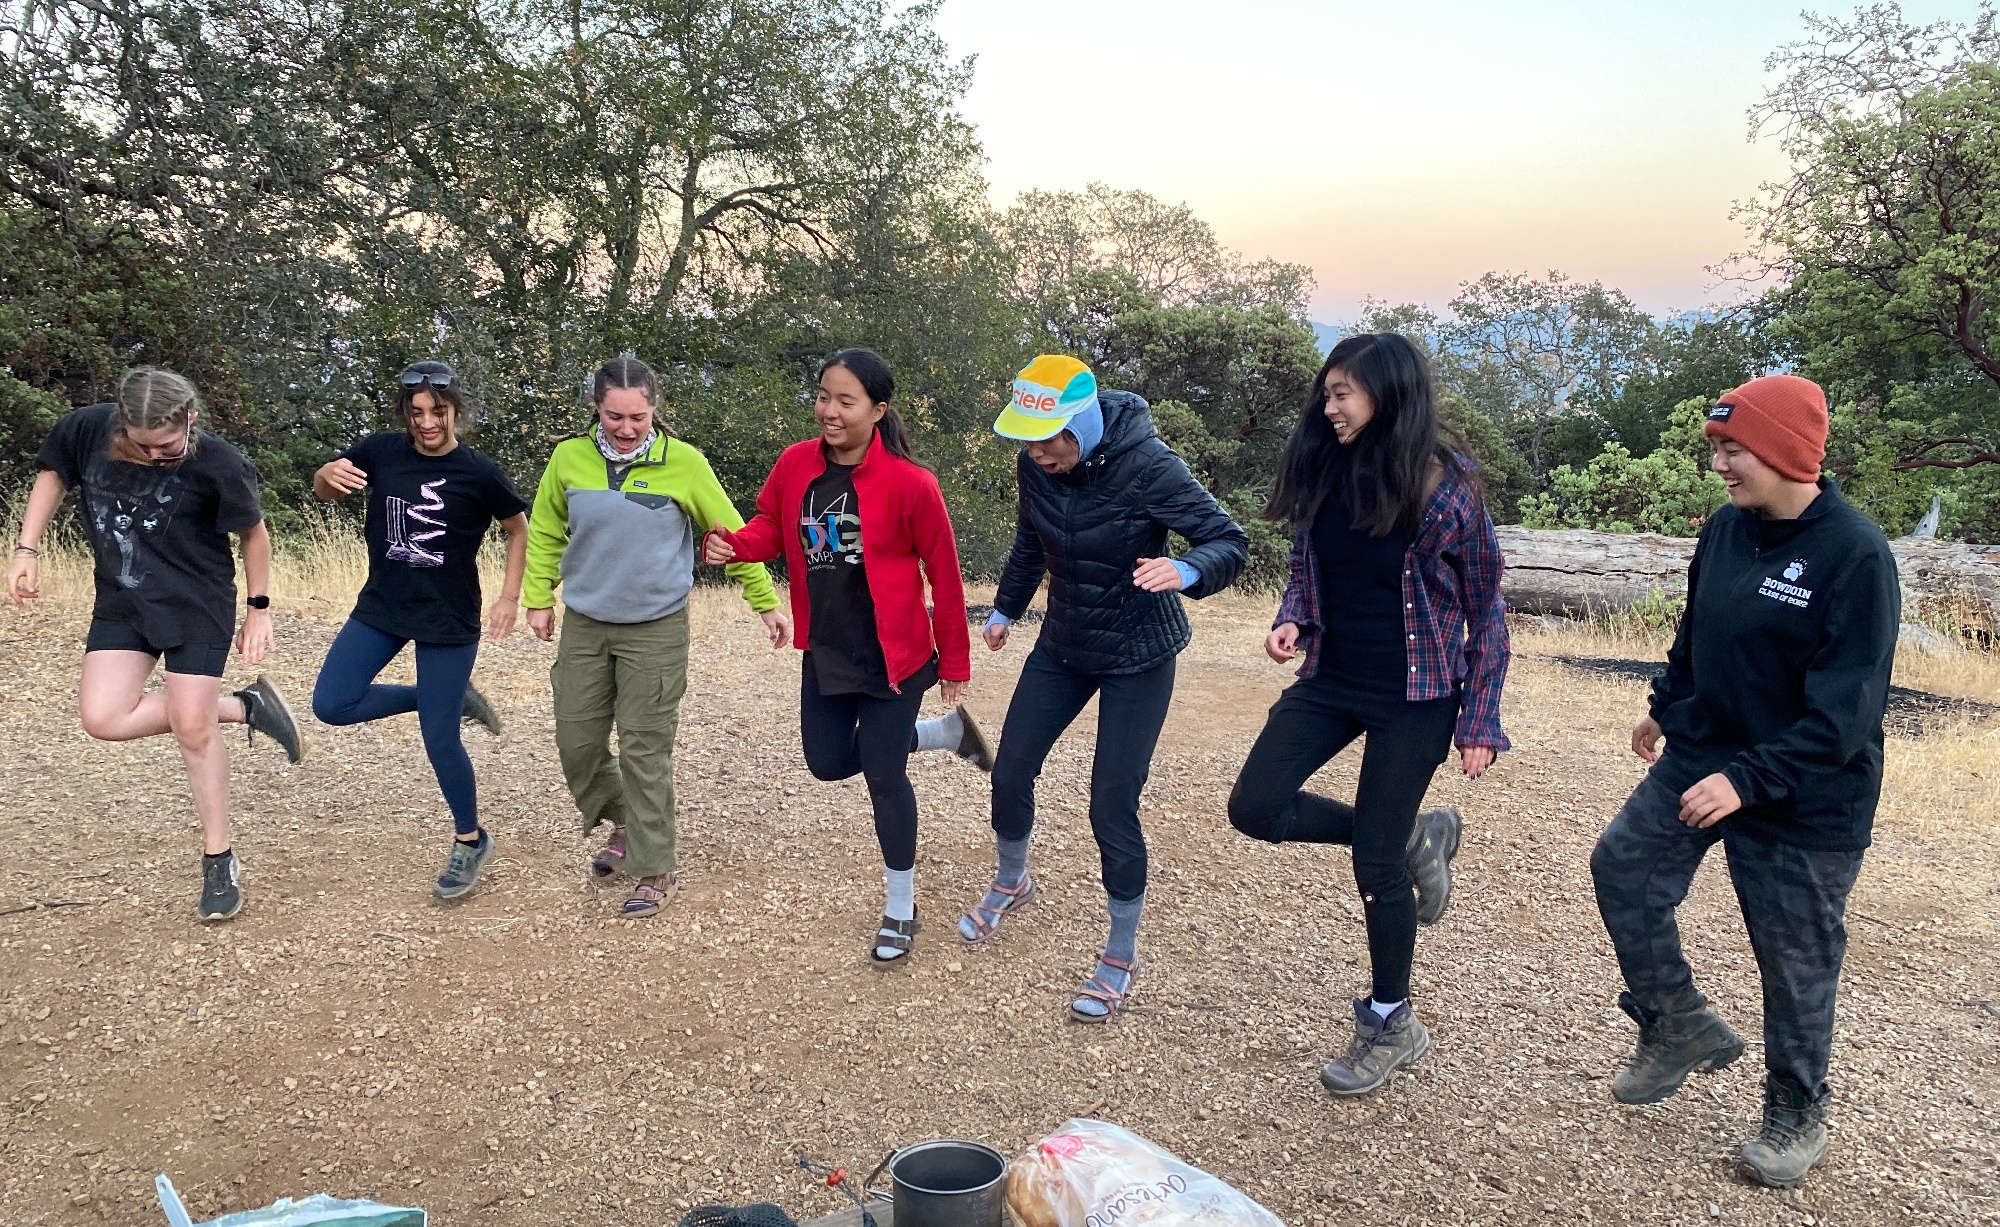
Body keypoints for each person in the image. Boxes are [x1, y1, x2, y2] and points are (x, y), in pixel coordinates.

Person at [1589, 374, 1897, 1189]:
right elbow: (1700, 628)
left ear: (1787, 451)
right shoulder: (1728, 530)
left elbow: (1846, 718)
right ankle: (1676, 1023)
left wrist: (1746, 780)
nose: (1720, 465)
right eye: (1717, 448)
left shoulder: (1855, 555)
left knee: (1794, 956)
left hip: (1807, 789)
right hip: (1707, 749)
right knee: (1623, 866)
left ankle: (1796, 1107)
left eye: (1735, 449)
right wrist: (1666, 704)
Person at [1225, 332, 1509, 1095]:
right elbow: (1306, 565)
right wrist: (1294, 616)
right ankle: (1414, 836)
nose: (1330, 405)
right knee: (1254, 805)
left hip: (1416, 695)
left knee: (1376, 869)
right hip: (1332, 677)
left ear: (1389, 394)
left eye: (1343, 392)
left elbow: (1488, 611)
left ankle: (1393, 1020)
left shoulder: (1448, 490)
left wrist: (1479, 719)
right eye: (1328, 392)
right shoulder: (1328, 466)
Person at [963, 354, 1249, 1022]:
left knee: (1109, 804)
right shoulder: (1036, 463)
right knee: (1009, 770)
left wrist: (1185, 567)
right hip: (1065, 642)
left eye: (1048, 440)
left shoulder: (1149, 464)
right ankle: (1014, 879)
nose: (1036, 454)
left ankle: (1120, 950)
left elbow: (1226, 540)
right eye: (1027, 442)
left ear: (1082, 425)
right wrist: (1005, 609)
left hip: (1139, 654)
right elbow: (1030, 541)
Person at [704, 348, 983, 964]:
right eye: (824, 396)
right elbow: (772, 526)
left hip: (896, 655)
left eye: (845, 401)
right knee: (828, 763)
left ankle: (901, 905)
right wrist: (736, 546)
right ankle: (940, 736)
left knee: (883, 773)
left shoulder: (914, 484)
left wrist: (955, 663)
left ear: (878, 411)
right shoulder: (797, 464)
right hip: (826, 646)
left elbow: (945, 573)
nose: (829, 411)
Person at [5, 367, 304, 922]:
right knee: (102, 717)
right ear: (121, 422)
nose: (156, 455)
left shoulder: (219, 462)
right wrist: (27, 548)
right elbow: (52, 474)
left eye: (166, 445)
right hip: (123, 600)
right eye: (141, 446)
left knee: (193, 728)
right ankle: (245, 707)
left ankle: (219, 860)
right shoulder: (86, 430)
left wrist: (258, 610)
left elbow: (254, 535)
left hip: (197, 603)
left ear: (188, 417)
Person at [525, 356, 786, 917]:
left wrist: (765, 602)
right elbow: (546, 528)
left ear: (654, 411)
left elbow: (731, 533)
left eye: (637, 417)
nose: (625, 428)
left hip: (657, 629)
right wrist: (538, 596)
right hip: (587, 624)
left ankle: (653, 865)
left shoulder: (685, 464)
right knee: (577, 741)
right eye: (614, 416)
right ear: (596, 408)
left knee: (645, 749)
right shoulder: (568, 459)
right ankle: (625, 821)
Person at [309, 361, 530, 901]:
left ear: (457, 411)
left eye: (438, 412)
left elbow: (518, 530)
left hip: (448, 617)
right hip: (382, 607)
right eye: (416, 413)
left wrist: (509, 597)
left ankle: (470, 840)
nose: (427, 423)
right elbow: (326, 488)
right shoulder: (379, 451)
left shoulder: (479, 472)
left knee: (439, 737)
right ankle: (444, 699)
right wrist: (324, 476)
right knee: (332, 704)